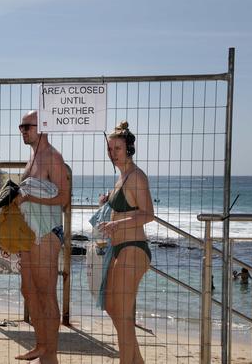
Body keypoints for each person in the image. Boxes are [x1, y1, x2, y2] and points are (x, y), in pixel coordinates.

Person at [13, 110, 70, 363]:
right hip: (29, 232)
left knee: (46, 292)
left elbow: (63, 199)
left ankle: (51, 354)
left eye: (27, 126)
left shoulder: (53, 158)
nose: (23, 131)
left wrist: (29, 197)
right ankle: (40, 344)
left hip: (47, 232)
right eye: (21, 127)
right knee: (28, 290)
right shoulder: (32, 158)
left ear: (42, 126)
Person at [98, 121, 154, 364]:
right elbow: (124, 208)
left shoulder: (136, 176)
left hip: (133, 248)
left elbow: (148, 214)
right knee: (112, 307)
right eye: (110, 149)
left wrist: (117, 224)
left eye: (117, 149)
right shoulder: (121, 177)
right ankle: (137, 361)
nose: (112, 153)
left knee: (121, 312)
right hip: (119, 247)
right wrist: (108, 204)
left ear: (129, 149)